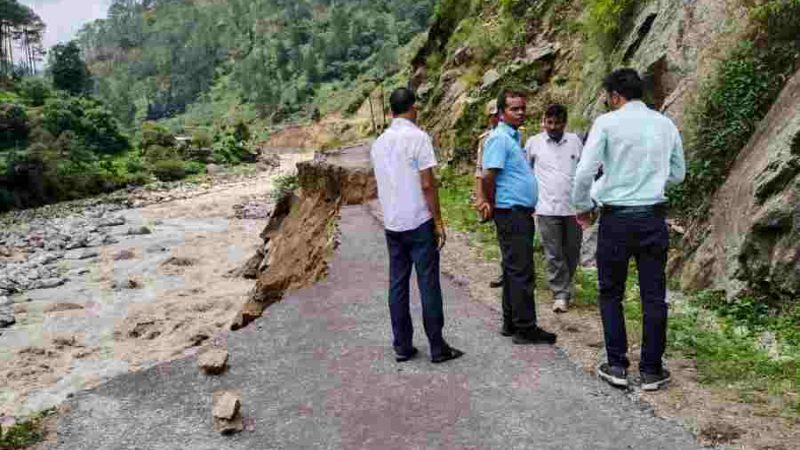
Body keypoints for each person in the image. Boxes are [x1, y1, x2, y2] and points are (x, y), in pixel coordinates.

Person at [572, 69, 685, 391]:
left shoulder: (607, 123)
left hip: (616, 220)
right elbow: (678, 173)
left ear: (614, 96)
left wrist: (583, 204)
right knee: (653, 296)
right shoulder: (665, 124)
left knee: (611, 292)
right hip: (652, 217)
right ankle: (651, 370)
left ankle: (617, 365)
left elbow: (584, 173)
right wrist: (648, 180)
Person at [370, 87, 464, 364]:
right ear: (413, 108)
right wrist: (438, 221)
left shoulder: (379, 143)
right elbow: (427, 183)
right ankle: (437, 346)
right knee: (428, 283)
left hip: (393, 223)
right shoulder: (418, 138)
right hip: (419, 222)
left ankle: (402, 345)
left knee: (397, 284)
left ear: (390, 111)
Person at [481, 88, 557, 345]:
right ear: (502, 113)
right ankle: (526, 327)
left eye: (523, 107)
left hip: (517, 210)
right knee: (522, 270)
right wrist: (491, 202)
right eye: (514, 108)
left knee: (513, 268)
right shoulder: (499, 139)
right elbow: (488, 176)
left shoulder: (513, 138)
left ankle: (511, 322)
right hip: (510, 211)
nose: (521, 112)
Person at [525, 104, 583, 314]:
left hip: (573, 207)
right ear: (544, 121)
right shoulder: (534, 143)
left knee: (572, 252)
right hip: (546, 206)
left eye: (557, 123)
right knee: (553, 252)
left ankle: (565, 287)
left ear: (564, 123)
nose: (553, 127)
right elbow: (526, 171)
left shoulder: (575, 142)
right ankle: (560, 294)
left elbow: (585, 171)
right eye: (549, 122)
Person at [473, 100, 504, 289]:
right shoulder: (485, 139)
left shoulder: (515, 135)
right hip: (491, 189)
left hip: (508, 189)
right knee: (500, 232)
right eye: (492, 114)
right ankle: (504, 271)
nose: (495, 118)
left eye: (497, 114)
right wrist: (480, 196)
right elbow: (479, 169)